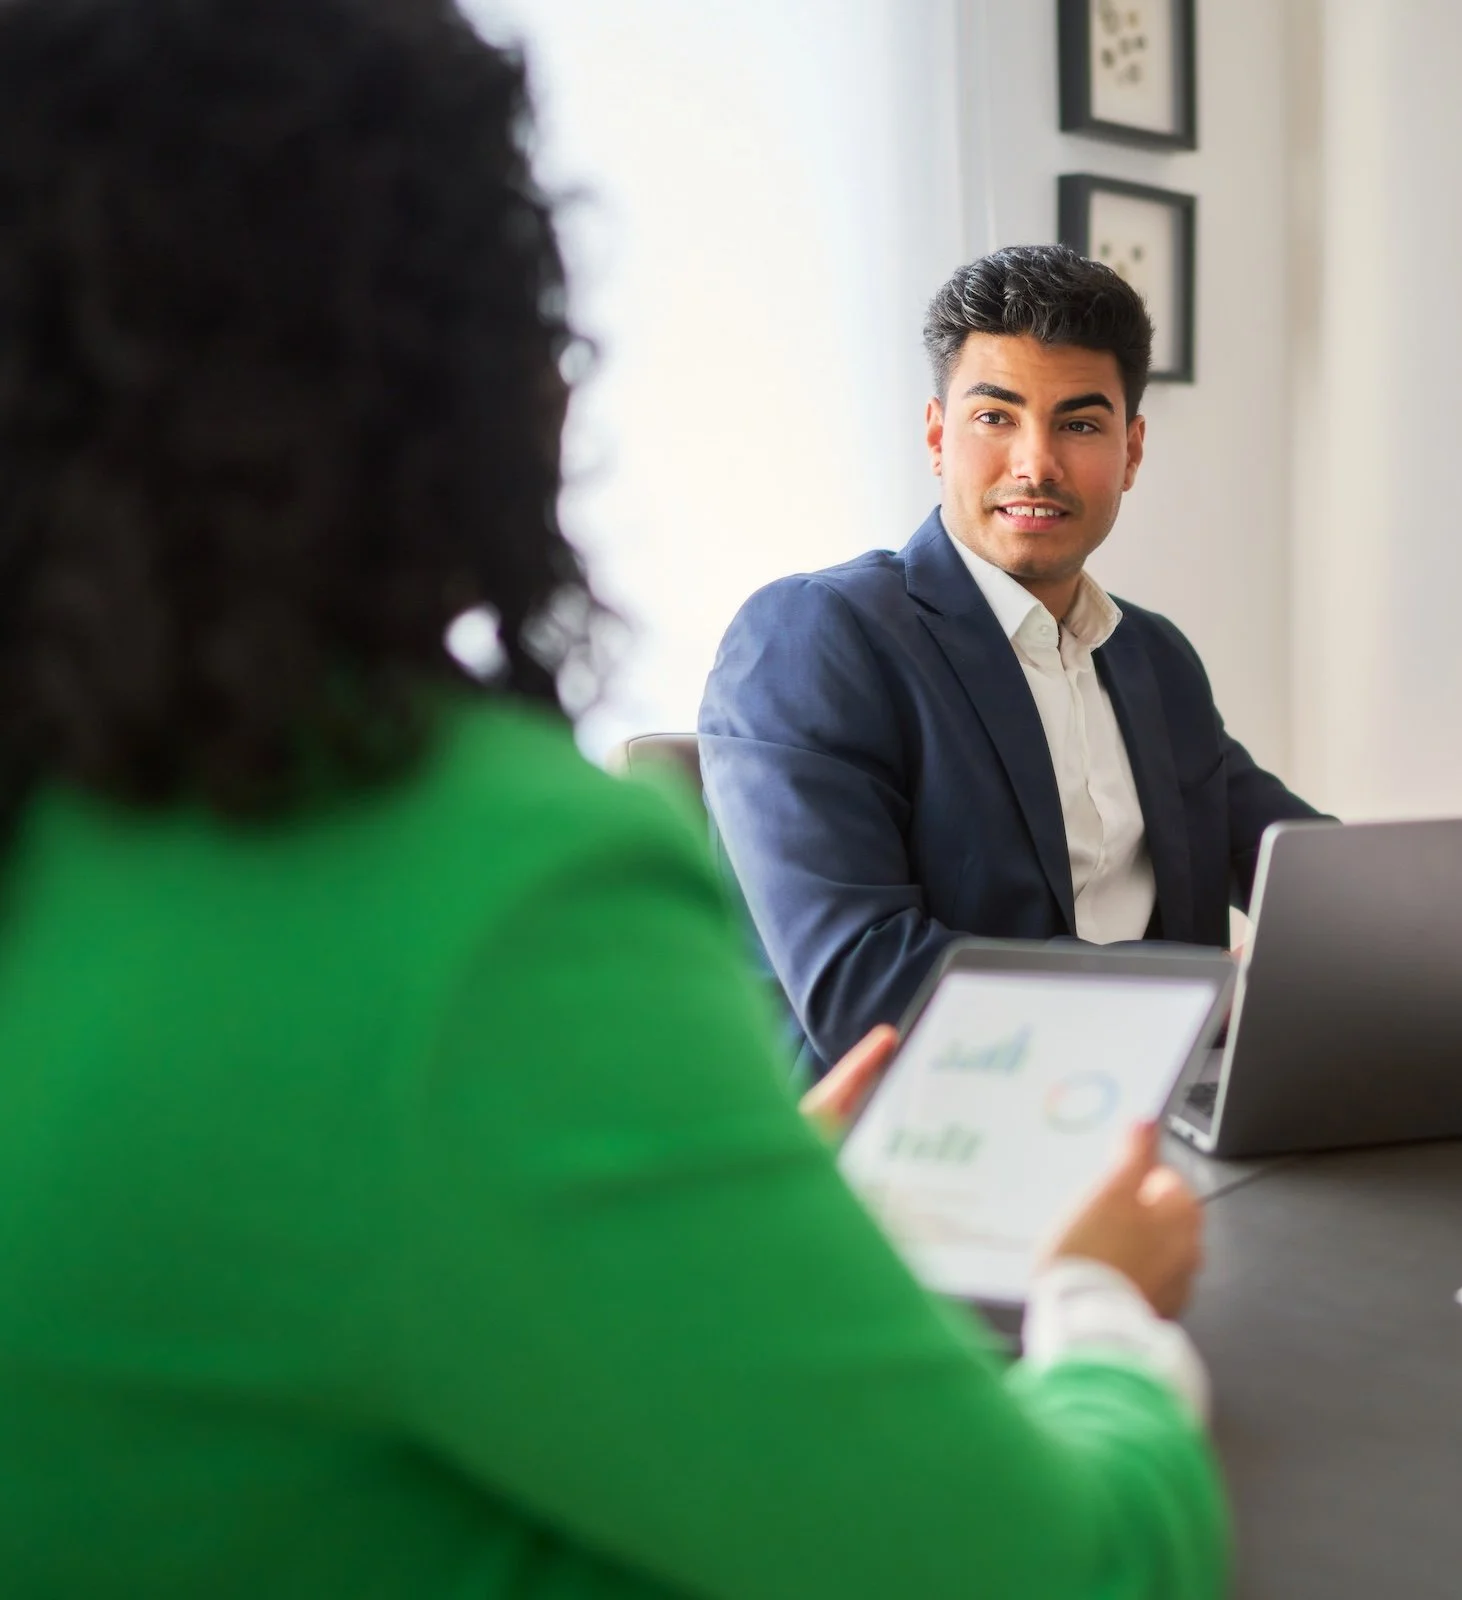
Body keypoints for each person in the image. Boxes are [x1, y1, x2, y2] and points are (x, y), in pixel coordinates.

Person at [0, 3, 1225, 1595]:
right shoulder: (483, 892)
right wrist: (1101, 1316)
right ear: (467, 366)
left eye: (1078, 421)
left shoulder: (82, 841)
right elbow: (1066, 1568)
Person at [702, 245, 1323, 1070]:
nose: (1035, 463)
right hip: (917, 1140)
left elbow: (1307, 875)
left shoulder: (1155, 658)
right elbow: (864, 985)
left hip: (1155, 1116)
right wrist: (1206, 989)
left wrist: (1454, 930)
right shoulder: (814, 636)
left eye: (1079, 423)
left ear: (1131, 451)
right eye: (995, 417)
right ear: (937, 434)